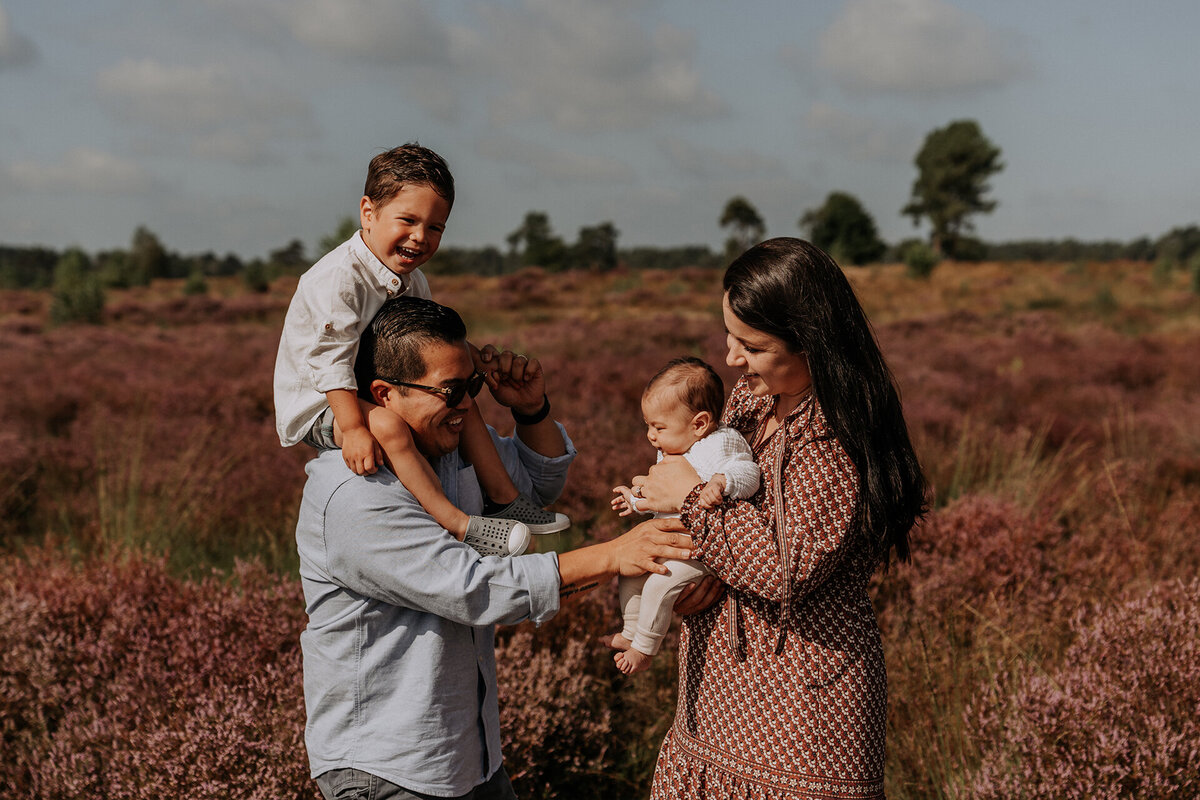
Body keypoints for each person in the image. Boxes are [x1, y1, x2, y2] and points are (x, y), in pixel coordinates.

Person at [296, 296, 694, 800]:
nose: (467, 404)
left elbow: (533, 492)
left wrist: (531, 411)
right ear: (384, 394)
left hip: (470, 755)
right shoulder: (356, 492)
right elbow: (469, 587)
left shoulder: (447, 449)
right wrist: (612, 555)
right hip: (388, 770)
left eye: (473, 386)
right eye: (451, 390)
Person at [629, 238, 928, 799]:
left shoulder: (837, 436)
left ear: (813, 344)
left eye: (753, 345)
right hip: (717, 696)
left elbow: (784, 571)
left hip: (804, 714)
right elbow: (723, 501)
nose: (731, 359)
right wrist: (704, 570)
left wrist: (692, 500)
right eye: (730, 335)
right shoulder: (752, 399)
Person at [275, 143, 567, 557]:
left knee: (460, 395)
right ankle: (457, 522)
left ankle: (505, 501)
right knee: (391, 429)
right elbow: (330, 363)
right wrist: (356, 429)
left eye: (435, 228)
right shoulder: (339, 280)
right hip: (321, 404)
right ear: (368, 212)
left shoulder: (410, 277)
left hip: (367, 390)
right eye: (408, 220)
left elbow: (424, 338)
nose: (420, 237)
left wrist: (473, 358)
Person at [605, 356, 760, 675]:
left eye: (658, 427)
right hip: (669, 544)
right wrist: (634, 501)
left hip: (698, 550)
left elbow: (748, 472)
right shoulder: (675, 447)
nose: (650, 435)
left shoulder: (721, 444)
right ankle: (631, 629)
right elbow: (660, 496)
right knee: (630, 574)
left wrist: (723, 481)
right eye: (648, 425)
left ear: (699, 423)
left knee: (659, 586)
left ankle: (645, 648)